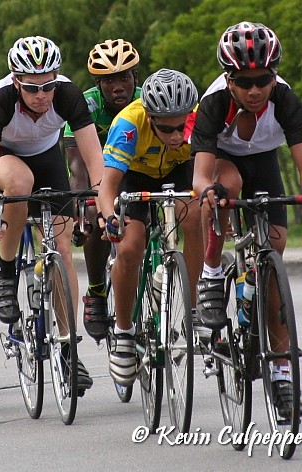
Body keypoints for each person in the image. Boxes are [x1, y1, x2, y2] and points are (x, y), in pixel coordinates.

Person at [192, 21, 302, 417]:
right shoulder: (213, 103)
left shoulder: (285, 99)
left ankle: (280, 376)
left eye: (263, 80)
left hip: (265, 162)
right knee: (228, 184)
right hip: (224, 162)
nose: (255, 90)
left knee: (274, 253)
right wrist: (208, 193)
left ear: (274, 75)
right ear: (229, 79)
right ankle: (211, 276)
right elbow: (200, 177)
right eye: (244, 82)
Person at [0, 36, 104, 393]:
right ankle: (5, 271)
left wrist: (102, 204)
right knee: (20, 181)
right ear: (16, 82)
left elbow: (95, 161)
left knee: (63, 251)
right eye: (32, 88)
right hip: (7, 159)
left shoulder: (68, 94)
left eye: (48, 86)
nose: (41, 95)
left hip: (49, 158)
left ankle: (68, 347)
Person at [97, 68, 201, 386]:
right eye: (166, 128)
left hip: (179, 170)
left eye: (181, 127)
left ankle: (191, 305)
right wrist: (108, 217)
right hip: (135, 176)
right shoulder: (129, 123)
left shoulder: (199, 120)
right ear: (150, 115)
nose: (175, 136)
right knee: (130, 245)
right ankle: (125, 333)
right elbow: (107, 187)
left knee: (196, 216)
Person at [62, 39, 141, 343]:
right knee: (95, 212)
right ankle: (96, 291)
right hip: (96, 172)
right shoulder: (86, 105)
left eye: (124, 77)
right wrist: (83, 210)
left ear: (136, 77)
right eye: (109, 80)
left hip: (137, 170)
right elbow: (77, 167)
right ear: (98, 83)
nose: (118, 86)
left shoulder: (148, 99)